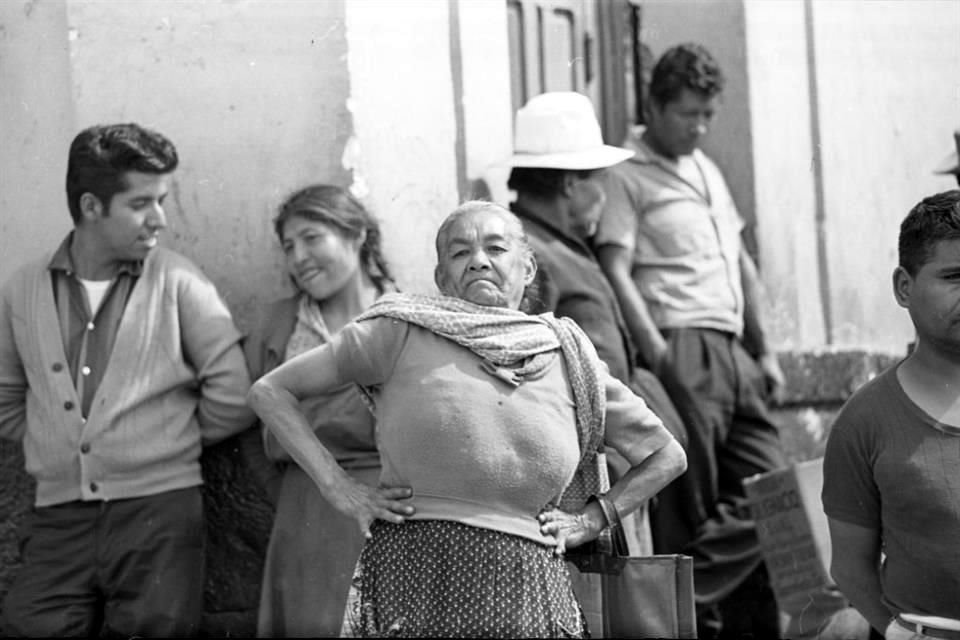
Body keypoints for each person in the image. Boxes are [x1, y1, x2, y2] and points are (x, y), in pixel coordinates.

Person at [247, 200, 687, 638]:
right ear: (442, 279)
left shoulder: (570, 359)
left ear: (528, 268)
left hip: (529, 592)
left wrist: (593, 519)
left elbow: (667, 456)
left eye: (495, 249)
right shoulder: (400, 331)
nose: (478, 261)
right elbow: (271, 391)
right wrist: (340, 488)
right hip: (412, 579)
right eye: (460, 253)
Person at [0, 123, 254, 637]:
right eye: (141, 204)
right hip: (58, 515)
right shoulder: (24, 287)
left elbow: (233, 393)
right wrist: (59, 446)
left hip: (158, 514)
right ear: (92, 206)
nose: (159, 219)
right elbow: (6, 398)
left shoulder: (178, 280)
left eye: (162, 200)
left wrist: (156, 443)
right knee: (31, 624)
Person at [595, 43, 787, 638]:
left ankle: (677, 593)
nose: (699, 127)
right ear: (654, 105)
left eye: (707, 115)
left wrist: (767, 348)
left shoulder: (707, 170)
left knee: (775, 488)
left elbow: (742, 264)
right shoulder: (626, 175)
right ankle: (683, 618)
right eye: (687, 115)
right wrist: (657, 352)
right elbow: (617, 267)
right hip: (681, 342)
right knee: (691, 494)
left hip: (734, 350)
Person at [505, 91, 688, 552]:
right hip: (582, 491)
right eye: (599, 183)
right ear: (570, 183)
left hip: (617, 477)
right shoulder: (530, 257)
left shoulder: (560, 245)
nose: (603, 198)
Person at [240, 184, 395, 637]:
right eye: (289, 246)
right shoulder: (276, 327)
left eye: (312, 238)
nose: (299, 257)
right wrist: (300, 493)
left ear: (357, 234)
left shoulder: (405, 318)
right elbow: (254, 432)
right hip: (304, 521)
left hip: (391, 514)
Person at [822, 190, 960, 640]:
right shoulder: (865, 423)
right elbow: (849, 566)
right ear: (905, 287)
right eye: (954, 276)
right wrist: (900, 632)